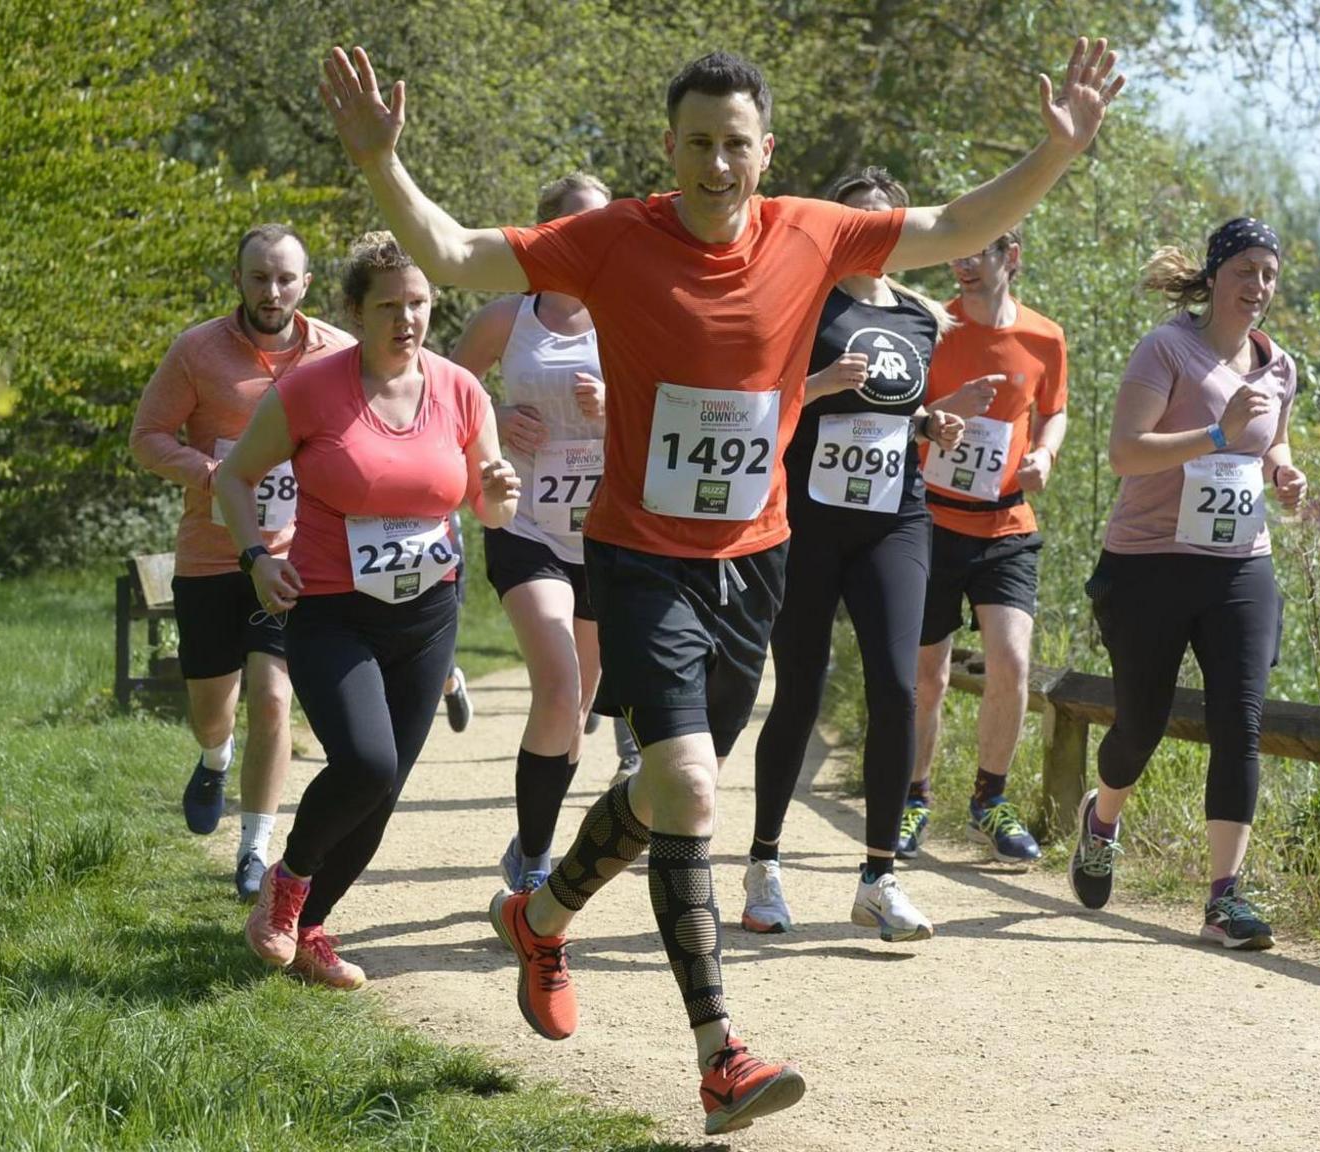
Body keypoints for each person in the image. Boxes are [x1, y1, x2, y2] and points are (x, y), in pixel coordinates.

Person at [318, 37, 1121, 1134]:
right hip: (639, 557)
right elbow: (457, 253)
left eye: (733, 144)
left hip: (754, 562)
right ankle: (718, 1056)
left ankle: (540, 919)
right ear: (669, 147)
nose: (714, 164)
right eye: (695, 143)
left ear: (763, 150)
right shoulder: (612, 241)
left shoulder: (812, 230)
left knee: (664, 795)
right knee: (691, 787)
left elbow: (952, 228)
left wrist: (1053, 154)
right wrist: (379, 165)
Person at [225, 233, 519, 989]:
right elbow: (235, 477)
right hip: (331, 608)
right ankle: (283, 888)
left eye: (419, 303)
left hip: (429, 612)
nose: (407, 319)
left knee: (385, 789)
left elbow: (482, 498)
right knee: (366, 762)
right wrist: (259, 559)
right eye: (389, 305)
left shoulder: (460, 389)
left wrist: (499, 495)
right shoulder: (312, 390)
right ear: (354, 311)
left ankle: (310, 924)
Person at [1069, 217, 1307, 951]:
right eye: (1246, 271)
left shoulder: (1279, 366)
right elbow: (1125, 453)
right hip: (1149, 562)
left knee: (1241, 720)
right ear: (1215, 274)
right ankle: (1102, 819)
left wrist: (1283, 471)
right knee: (1141, 723)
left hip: (1240, 563)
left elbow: (1273, 438)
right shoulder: (1165, 348)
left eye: (1269, 274)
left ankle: (1224, 898)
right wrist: (1214, 433)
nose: (1259, 287)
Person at [742, 167, 967, 943]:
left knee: (899, 689)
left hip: (895, 517)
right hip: (806, 518)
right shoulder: (805, 299)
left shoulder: (920, 317)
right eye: (856, 219)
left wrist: (931, 424)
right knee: (800, 689)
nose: (871, 230)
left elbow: (899, 411)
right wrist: (823, 383)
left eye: (885, 220)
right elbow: (759, 399)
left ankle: (878, 877)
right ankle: (764, 864)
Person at [129, 223, 355, 900]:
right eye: (259, 277)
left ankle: (255, 849)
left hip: (290, 558)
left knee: (275, 697)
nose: (272, 291)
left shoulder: (337, 353)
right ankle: (213, 757)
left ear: (306, 285)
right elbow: (146, 438)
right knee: (211, 708)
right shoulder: (197, 351)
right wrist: (216, 476)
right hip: (210, 555)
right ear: (239, 280)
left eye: (285, 278)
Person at [447, 171, 640, 894]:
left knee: (579, 706)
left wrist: (611, 411)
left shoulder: (632, 314)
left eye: (604, 225)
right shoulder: (507, 318)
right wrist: (497, 416)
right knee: (558, 687)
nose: (592, 240)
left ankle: (530, 838)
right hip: (524, 520)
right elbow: (444, 399)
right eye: (577, 227)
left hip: (603, 529)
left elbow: (664, 419)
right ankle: (533, 864)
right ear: (549, 233)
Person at [898, 227, 1068, 868]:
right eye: (957, 253)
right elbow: (896, 409)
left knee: (1012, 663)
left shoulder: (1044, 336)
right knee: (928, 677)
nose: (964, 264)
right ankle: (913, 798)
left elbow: (1053, 408)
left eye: (979, 253)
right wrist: (944, 410)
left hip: (1006, 525)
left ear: (1011, 258)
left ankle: (989, 802)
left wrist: (1046, 452)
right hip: (932, 521)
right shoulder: (930, 326)